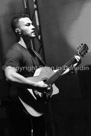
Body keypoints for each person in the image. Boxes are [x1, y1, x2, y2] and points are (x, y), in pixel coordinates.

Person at [3, 14, 59, 136]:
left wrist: (68, 68)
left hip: (36, 109)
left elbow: (46, 77)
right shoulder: (15, 52)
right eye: (28, 25)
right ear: (18, 31)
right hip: (22, 112)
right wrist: (35, 86)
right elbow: (10, 75)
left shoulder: (34, 54)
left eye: (32, 24)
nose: (33, 27)